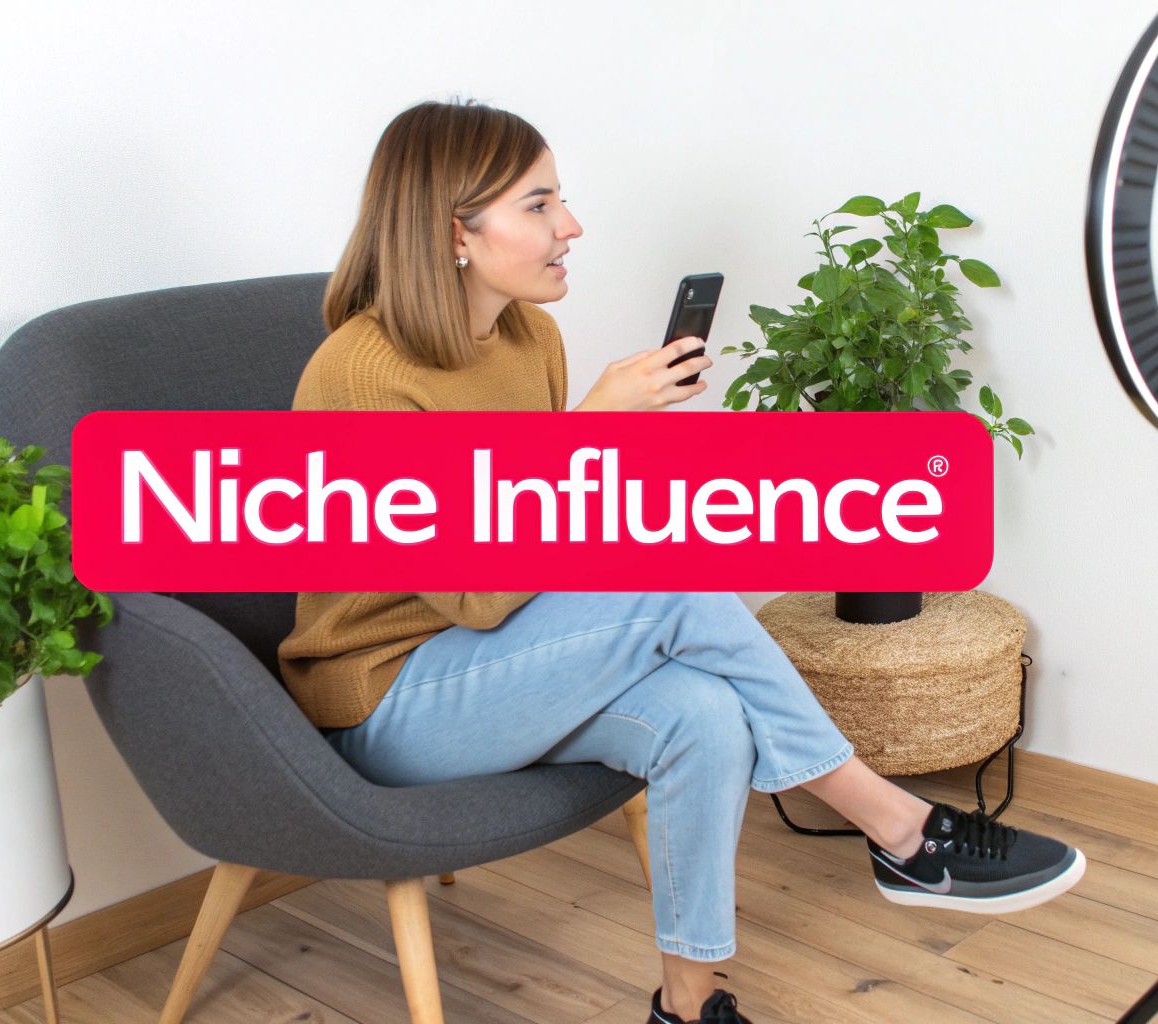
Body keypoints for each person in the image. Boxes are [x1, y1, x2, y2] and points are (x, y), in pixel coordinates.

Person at [276, 98, 1087, 1024]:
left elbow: (552, 532)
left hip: (503, 665)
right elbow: (476, 590)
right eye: (538, 206)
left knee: (703, 712)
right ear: (453, 232)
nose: (570, 226)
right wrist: (587, 431)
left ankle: (689, 1004)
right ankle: (897, 825)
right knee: (669, 587)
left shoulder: (527, 338)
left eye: (560, 201)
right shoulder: (359, 377)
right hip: (390, 698)